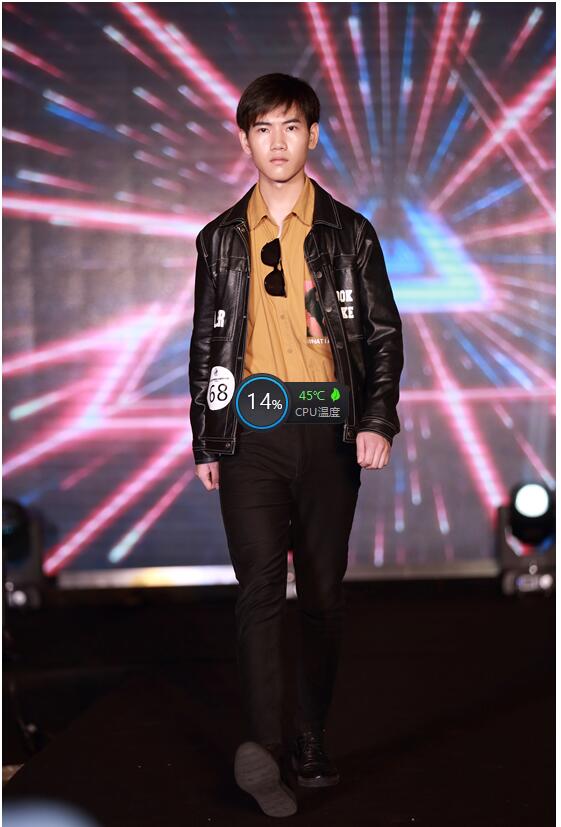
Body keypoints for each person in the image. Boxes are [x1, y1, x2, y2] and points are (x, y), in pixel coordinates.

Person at [188, 73, 404, 817]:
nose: (276, 143)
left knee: (321, 595)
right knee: (255, 591)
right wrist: (208, 436)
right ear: (243, 139)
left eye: (290, 127)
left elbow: (382, 334)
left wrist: (376, 419)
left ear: (312, 136)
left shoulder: (351, 232)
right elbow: (207, 341)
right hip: (251, 428)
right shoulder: (219, 238)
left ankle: (310, 737)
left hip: (327, 423)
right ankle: (265, 748)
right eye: (262, 129)